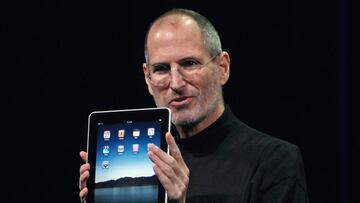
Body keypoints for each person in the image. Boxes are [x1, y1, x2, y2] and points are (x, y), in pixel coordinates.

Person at [79, 8, 309, 203]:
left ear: (222, 68)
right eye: (161, 69)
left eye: (189, 63)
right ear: (147, 79)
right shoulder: (146, 164)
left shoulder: (274, 160)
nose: (176, 83)